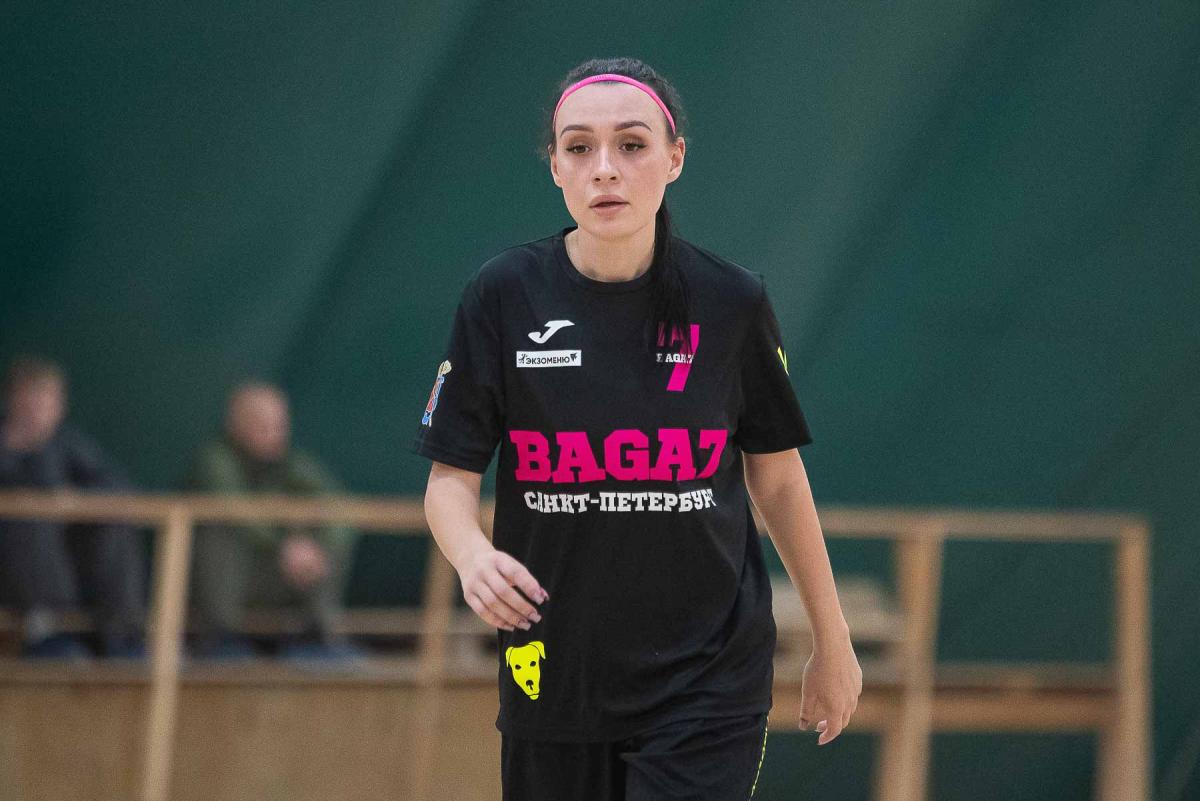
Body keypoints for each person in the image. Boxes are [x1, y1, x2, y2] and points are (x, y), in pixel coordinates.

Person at [411, 58, 863, 800]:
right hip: (554, 669)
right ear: (555, 167)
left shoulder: (731, 301)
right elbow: (448, 481)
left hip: (709, 676)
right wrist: (472, 557)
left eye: (631, 144)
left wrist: (831, 637)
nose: (605, 169)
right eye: (579, 147)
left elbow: (778, 477)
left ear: (674, 157)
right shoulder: (503, 295)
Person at [186, 381, 362, 661]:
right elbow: (236, 510)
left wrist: (314, 549)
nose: (273, 434)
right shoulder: (215, 460)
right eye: (261, 425)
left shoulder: (292, 463)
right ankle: (220, 638)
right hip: (218, 587)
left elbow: (339, 507)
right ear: (236, 425)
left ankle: (316, 636)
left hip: (283, 576)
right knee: (220, 529)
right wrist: (283, 545)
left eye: (278, 425)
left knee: (319, 529)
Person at [0, 355, 146, 659]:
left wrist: (75, 500)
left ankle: (120, 636)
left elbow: (117, 487)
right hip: (14, 565)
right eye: (32, 400)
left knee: (113, 524)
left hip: (69, 566)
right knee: (30, 519)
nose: (39, 410)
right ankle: (49, 631)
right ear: (13, 400)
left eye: (48, 401)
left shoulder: (67, 444)